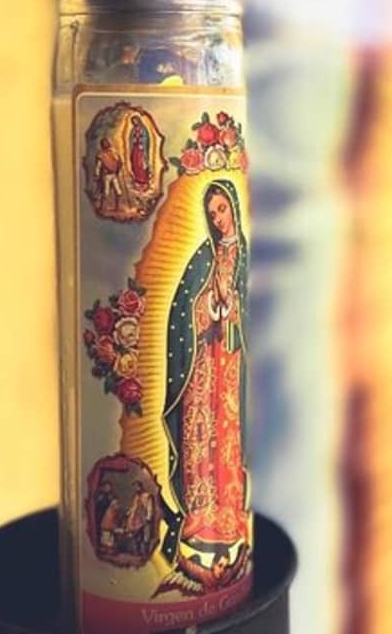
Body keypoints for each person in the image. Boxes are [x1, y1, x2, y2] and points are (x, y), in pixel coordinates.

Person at [165, 180, 249, 549]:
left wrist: (232, 307)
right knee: (200, 429)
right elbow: (185, 306)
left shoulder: (244, 254)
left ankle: (229, 514)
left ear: (234, 207)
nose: (218, 219)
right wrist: (209, 306)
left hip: (230, 360)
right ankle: (200, 513)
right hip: (203, 361)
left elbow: (251, 308)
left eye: (222, 209)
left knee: (227, 432)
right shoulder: (205, 256)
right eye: (212, 213)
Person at [94, 137, 123, 207]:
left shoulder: (113, 152)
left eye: (107, 142)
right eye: (104, 143)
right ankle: (101, 206)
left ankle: (117, 207)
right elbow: (98, 166)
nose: (106, 144)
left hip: (114, 175)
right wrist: (97, 173)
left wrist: (119, 165)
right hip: (106, 175)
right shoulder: (101, 154)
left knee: (119, 192)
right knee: (106, 192)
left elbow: (118, 162)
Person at [129, 115, 151, 189]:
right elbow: (131, 139)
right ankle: (137, 180)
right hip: (135, 149)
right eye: (133, 121)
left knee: (141, 164)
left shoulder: (143, 129)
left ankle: (143, 180)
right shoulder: (133, 130)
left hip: (141, 150)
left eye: (135, 121)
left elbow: (145, 139)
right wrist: (135, 140)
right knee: (135, 163)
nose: (135, 122)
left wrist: (142, 143)